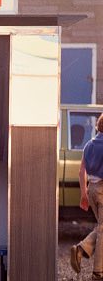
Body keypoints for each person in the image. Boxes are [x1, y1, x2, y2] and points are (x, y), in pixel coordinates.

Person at [71, 114, 103, 280]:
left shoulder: (89, 145)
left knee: (102, 227)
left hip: (91, 189)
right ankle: (98, 272)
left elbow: (81, 171)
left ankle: (81, 250)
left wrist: (84, 194)